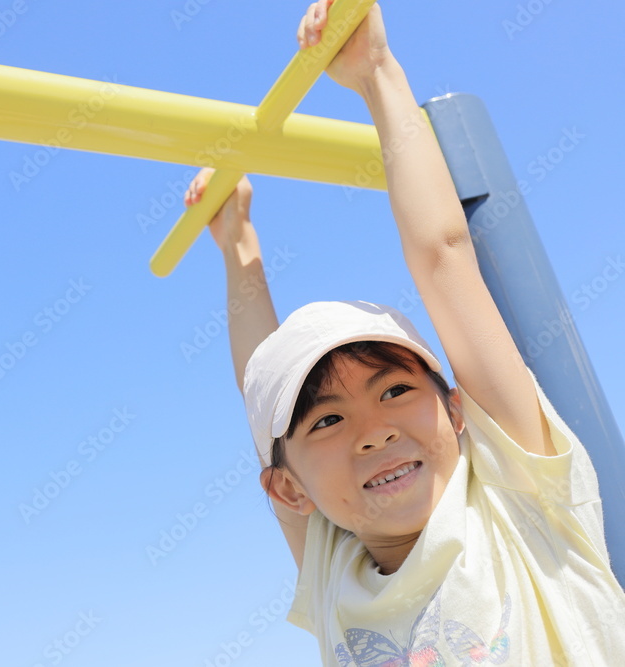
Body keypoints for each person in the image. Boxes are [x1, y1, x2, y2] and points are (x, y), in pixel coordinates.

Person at [184, 2, 625, 665]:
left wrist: (377, 74)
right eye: (327, 420)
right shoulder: (336, 577)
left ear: (455, 409)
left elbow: (445, 260)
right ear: (289, 489)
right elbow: (262, 388)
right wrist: (237, 246)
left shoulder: (518, 499)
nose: (375, 428)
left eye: (393, 390)